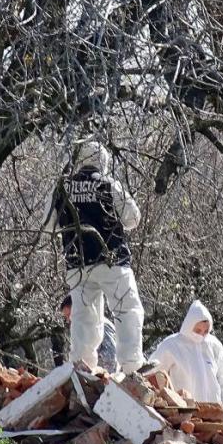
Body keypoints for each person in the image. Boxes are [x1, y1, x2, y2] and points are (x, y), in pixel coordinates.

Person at [43, 140, 146, 374]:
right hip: (111, 259)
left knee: (83, 316)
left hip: (77, 263)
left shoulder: (63, 187)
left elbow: (47, 224)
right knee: (127, 309)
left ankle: (82, 365)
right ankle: (132, 365)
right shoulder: (109, 185)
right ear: (104, 161)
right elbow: (132, 218)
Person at [150, 300, 223, 410]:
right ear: (189, 325)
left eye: (206, 331)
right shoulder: (172, 345)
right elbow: (152, 372)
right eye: (198, 330)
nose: (202, 334)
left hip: (213, 411)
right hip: (184, 411)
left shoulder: (214, 345)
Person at [59, 295, 118, 373]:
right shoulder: (85, 328)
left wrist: (105, 380)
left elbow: (111, 357)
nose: (68, 319)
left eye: (69, 314)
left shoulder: (99, 325)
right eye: (66, 317)